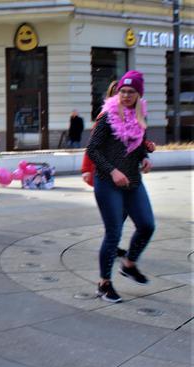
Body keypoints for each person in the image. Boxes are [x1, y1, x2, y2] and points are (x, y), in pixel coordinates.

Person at [86, 70, 155, 303]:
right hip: (107, 182)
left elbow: (137, 145)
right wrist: (113, 171)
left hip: (133, 181)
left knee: (147, 225)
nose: (125, 95)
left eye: (131, 92)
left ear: (138, 95)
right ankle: (104, 284)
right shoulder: (107, 116)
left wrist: (145, 156)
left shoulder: (140, 116)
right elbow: (92, 149)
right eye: (122, 91)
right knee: (114, 233)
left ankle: (129, 264)